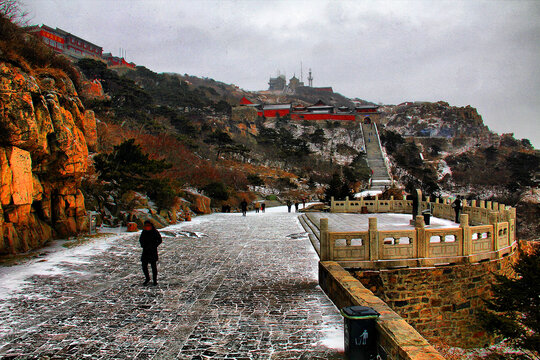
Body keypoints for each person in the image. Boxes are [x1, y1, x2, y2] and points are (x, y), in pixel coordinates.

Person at [139, 220, 162, 286]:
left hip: (153, 251)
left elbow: (159, 240)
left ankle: (155, 280)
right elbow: (141, 239)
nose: (147, 227)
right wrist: (143, 245)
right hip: (145, 251)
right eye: (145, 226)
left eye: (148, 225)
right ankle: (147, 278)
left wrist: (154, 245)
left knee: (153, 266)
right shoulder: (144, 232)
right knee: (144, 266)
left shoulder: (155, 232)